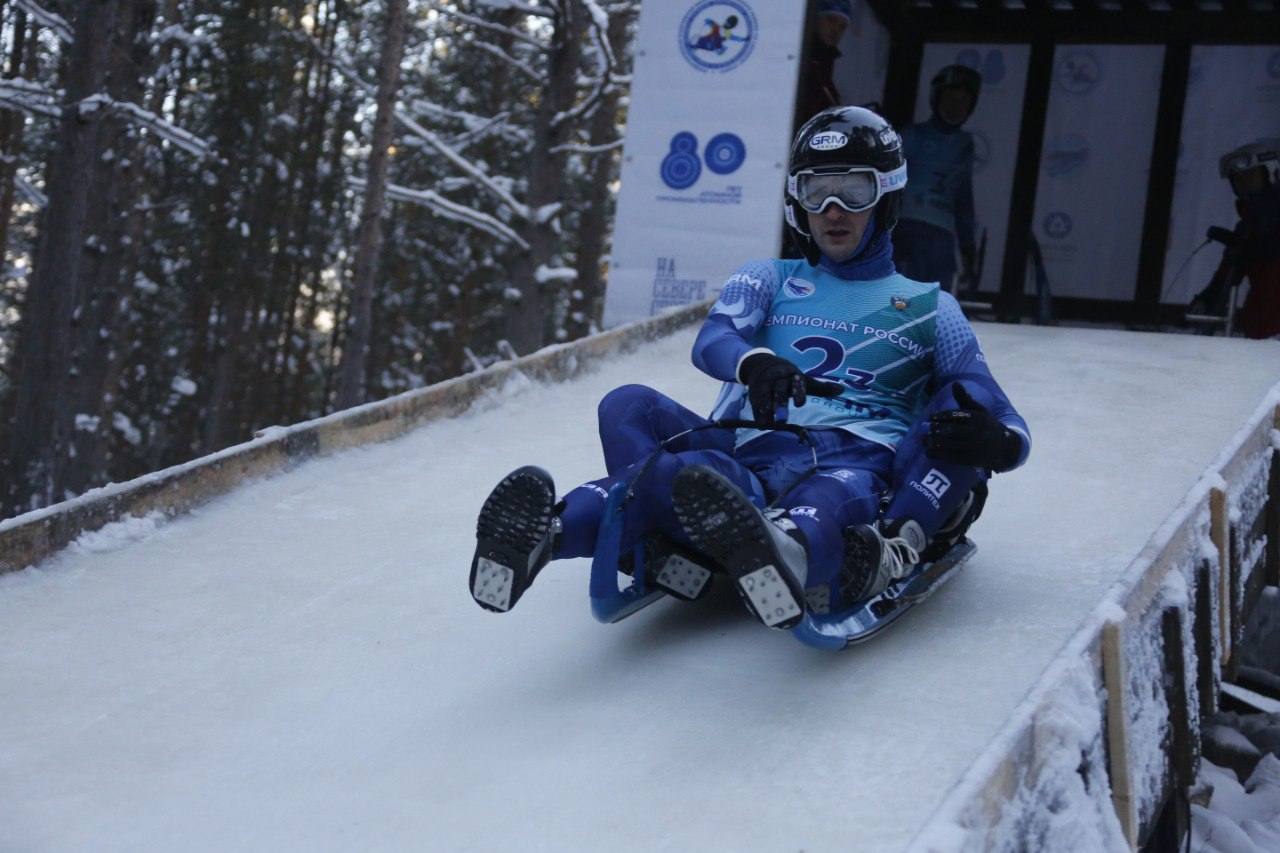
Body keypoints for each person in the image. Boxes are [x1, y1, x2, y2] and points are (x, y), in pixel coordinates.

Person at [470, 106, 1030, 632]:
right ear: (797, 202)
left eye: (853, 191)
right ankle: (548, 535)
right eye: (816, 191)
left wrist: (999, 443)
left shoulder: (932, 307)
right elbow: (714, 340)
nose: (833, 209)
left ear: (886, 196)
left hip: (856, 460)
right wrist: (757, 363)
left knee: (855, 480)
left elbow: (995, 408)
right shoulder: (770, 278)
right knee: (642, 428)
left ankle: (797, 551)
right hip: (754, 455)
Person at [892, 65, 981, 294]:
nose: (955, 107)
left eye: (963, 101)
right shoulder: (912, 135)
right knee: (899, 304)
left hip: (941, 240)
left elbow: (963, 199)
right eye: (950, 99)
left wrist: (968, 248)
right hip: (906, 232)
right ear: (936, 99)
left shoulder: (965, 144)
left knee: (935, 305)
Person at [1188, 139, 1280, 340]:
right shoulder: (1248, 229)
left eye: (1252, 179)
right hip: (1259, 340)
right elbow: (1226, 276)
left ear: (1274, 174)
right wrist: (1206, 300)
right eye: (1239, 182)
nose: (1246, 189)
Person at [793, 1, 851, 130]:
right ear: (816, 18)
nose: (835, 30)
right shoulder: (798, 56)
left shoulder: (825, 67)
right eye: (831, 20)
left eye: (842, 26)